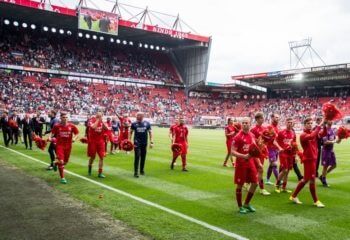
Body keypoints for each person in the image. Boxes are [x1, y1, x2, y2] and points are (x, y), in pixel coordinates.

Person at [290, 117, 326, 208]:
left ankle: (293, 196)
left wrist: (325, 125)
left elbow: (323, 134)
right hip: (309, 160)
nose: (310, 125)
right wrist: (320, 125)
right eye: (308, 123)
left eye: (311, 123)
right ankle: (316, 201)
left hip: (313, 159)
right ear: (304, 125)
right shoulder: (303, 135)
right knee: (312, 180)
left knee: (306, 179)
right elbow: (311, 136)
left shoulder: (313, 133)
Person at [231, 117, 258, 214]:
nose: (245, 124)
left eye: (247, 123)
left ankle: (246, 203)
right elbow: (232, 152)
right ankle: (240, 206)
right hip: (241, 164)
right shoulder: (237, 137)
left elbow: (254, 150)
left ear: (250, 124)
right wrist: (243, 156)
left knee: (255, 183)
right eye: (243, 123)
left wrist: (258, 161)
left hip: (250, 163)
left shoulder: (252, 135)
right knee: (240, 185)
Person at [50, 112, 79, 184]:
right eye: (63, 117)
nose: (65, 119)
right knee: (61, 162)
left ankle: (55, 163)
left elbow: (77, 133)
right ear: (60, 118)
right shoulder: (57, 126)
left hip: (68, 146)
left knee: (65, 162)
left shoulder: (71, 126)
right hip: (59, 146)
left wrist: (74, 138)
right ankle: (62, 178)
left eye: (66, 117)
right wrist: (50, 137)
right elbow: (52, 133)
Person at [250, 112, 271, 196]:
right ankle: (261, 188)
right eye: (261, 118)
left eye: (263, 118)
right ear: (257, 119)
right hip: (255, 152)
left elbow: (267, 140)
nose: (263, 119)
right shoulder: (253, 129)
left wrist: (269, 138)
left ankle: (250, 184)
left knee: (258, 170)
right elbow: (252, 141)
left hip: (262, 152)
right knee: (259, 169)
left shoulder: (265, 128)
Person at [275, 118, 296, 193]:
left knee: (287, 171)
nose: (290, 124)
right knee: (285, 170)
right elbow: (274, 141)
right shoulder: (281, 132)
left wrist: (295, 155)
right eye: (288, 122)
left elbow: (294, 144)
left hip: (290, 154)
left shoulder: (293, 133)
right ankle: (277, 185)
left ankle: (284, 187)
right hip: (283, 153)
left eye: (291, 122)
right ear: (286, 123)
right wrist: (279, 148)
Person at [130, 112, 153, 178]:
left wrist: (151, 142)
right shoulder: (134, 124)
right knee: (137, 156)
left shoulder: (147, 123)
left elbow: (150, 133)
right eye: (137, 115)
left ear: (142, 116)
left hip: (144, 143)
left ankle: (141, 170)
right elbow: (130, 132)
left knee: (143, 156)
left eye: (138, 115)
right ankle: (136, 172)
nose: (136, 116)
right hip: (137, 142)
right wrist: (129, 140)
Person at [87, 112, 108, 178]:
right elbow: (93, 127)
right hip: (92, 142)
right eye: (98, 116)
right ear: (96, 116)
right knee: (92, 157)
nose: (100, 117)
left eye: (101, 116)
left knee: (101, 157)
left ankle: (100, 172)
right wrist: (98, 120)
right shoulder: (91, 121)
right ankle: (90, 168)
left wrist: (102, 122)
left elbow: (107, 129)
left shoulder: (102, 122)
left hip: (100, 142)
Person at [319, 121, 339, 187]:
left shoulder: (332, 130)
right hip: (326, 151)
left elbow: (337, 141)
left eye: (331, 120)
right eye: (330, 120)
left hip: (331, 150)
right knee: (325, 166)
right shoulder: (324, 131)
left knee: (334, 165)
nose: (331, 122)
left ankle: (322, 176)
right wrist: (334, 141)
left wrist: (341, 138)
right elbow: (325, 142)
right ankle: (324, 180)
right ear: (327, 122)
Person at [265, 113, 280, 185]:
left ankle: (267, 180)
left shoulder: (277, 128)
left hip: (276, 149)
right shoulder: (269, 127)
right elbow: (266, 138)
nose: (277, 119)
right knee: (274, 164)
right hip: (270, 148)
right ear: (272, 118)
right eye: (276, 117)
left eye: (278, 117)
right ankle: (278, 180)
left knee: (271, 165)